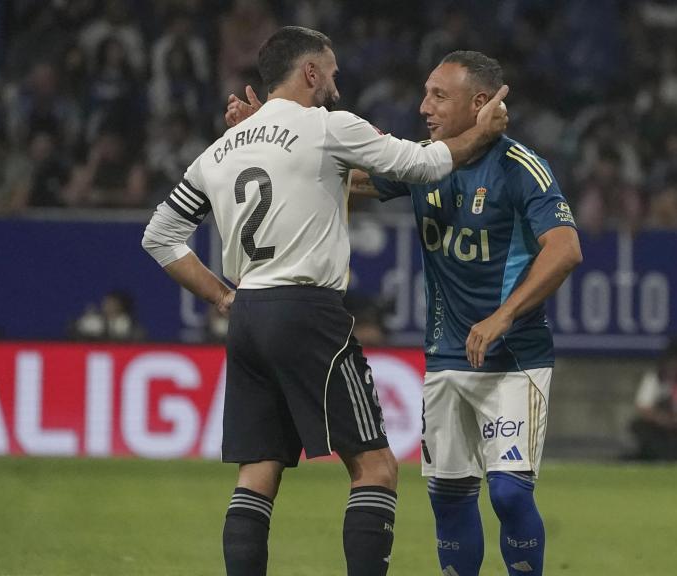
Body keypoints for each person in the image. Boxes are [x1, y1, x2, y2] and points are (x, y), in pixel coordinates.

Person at [144, 27, 509, 576]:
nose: (337, 83)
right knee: (376, 468)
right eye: (332, 71)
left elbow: (160, 235)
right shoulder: (326, 127)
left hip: (247, 316)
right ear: (310, 72)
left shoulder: (219, 150)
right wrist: (479, 135)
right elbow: (422, 164)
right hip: (307, 312)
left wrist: (222, 295)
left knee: (258, 472)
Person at [227, 50, 581, 576]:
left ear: (479, 103)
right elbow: (338, 174)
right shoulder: (425, 162)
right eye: (425, 93)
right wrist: (265, 127)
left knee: (507, 494)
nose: (424, 107)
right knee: (450, 496)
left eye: (439, 95)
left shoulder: (519, 167)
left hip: (515, 357)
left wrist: (502, 316)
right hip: (445, 357)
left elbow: (565, 250)